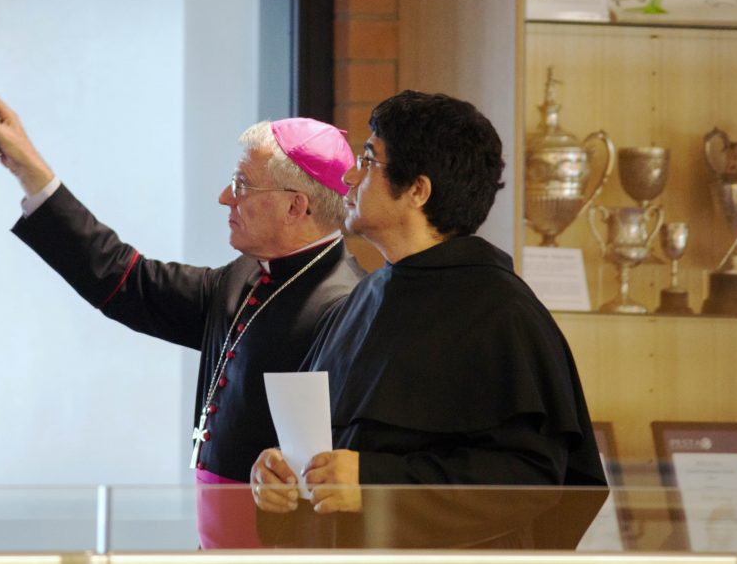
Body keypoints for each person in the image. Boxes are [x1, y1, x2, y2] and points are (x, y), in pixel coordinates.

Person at [0, 82, 364, 548]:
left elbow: (348, 466)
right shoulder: (245, 277)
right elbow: (126, 281)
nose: (223, 198)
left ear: (297, 205)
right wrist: (28, 170)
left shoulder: (349, 305)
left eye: (241, 186)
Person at [250, 90, 606, 547]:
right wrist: (279, 478)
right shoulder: (362, 298)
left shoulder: (503, 312)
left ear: (417, 190)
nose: (350, 174)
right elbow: (318, 449)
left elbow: (530, 479)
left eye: (369, 159)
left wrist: (374, 482)